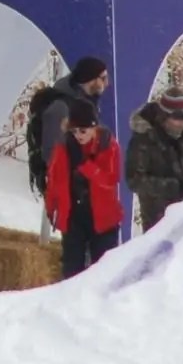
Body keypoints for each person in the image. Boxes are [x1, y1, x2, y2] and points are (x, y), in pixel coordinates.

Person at [46, 99, 123, 278]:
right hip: (74, 214)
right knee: (71, 271)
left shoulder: (108, 145)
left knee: (104, 272)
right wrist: (51, 208)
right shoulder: (63, 146)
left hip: (103, 217)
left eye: (83, 130)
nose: (79, 135)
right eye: (74, 131)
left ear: (94, 127)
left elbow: (110, 180)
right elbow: (54, 181)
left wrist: (85, 165)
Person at [124, 89, 183, 231]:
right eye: (178, 119)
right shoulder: (144, 140)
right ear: (164, 117)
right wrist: (176, 186)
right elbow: (134, 181)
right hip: (160, 222)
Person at [28, 56, 110, 196]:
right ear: (90, 79)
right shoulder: (61, 107)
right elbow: (52, 153)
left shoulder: (85, 102)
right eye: (102, 78)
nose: (106, 83)